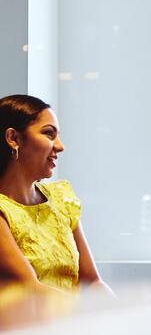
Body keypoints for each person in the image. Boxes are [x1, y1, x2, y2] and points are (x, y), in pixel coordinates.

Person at [0, 94, 110, 294]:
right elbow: (33, 292)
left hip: (73, 322)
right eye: (49, 134)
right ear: (13, 138)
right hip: (30, 325)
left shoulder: (61, 198)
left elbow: (92, 282)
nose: (60, 146)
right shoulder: (2, 211)